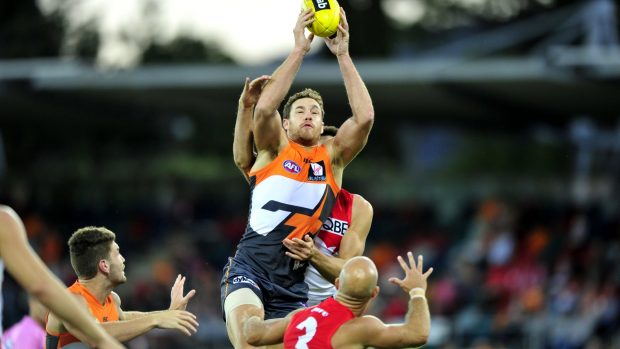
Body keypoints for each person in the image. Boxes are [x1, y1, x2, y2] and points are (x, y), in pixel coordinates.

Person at [222, 6, 374, 346]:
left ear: (323, 127)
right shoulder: (273, 150)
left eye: (315, 112)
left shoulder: (331, 159)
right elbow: (264, 109)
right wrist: (299, 49)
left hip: (293, 286)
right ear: (286, 125)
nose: (308, 114)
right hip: (251, 268)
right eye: (300, 110)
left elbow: (364, 118)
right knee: (249, 338)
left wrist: (343, 55)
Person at [233, 78, 373, 306]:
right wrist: (246, 108)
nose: (316, 165)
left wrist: (314, 256)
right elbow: (243, 160)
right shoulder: (280, 183)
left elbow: (347, 271)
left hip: (324, 302)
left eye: (325, 160)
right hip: (281, 290)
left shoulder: (357, 208)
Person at [46, 227, 199, 348]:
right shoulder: (69, 301)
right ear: (104, 265)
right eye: (118, 253)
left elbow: (124, 320)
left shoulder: (112, 299)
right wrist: (157, 319)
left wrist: (169, 313)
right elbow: (95, 336)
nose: (123, 259)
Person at [243, 253, 432, 349]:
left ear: (337, 284)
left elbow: (254, 334)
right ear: (374, 293)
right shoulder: (362, 328)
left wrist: (251, 312)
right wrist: (417, 291)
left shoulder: (300, 316)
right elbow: (418, 334)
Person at [0, 206, 125, 349]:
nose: (52, 310)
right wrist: (103, 340)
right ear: (32, 304)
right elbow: (41, 287)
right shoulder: (32, 334)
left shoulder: (24, 331)